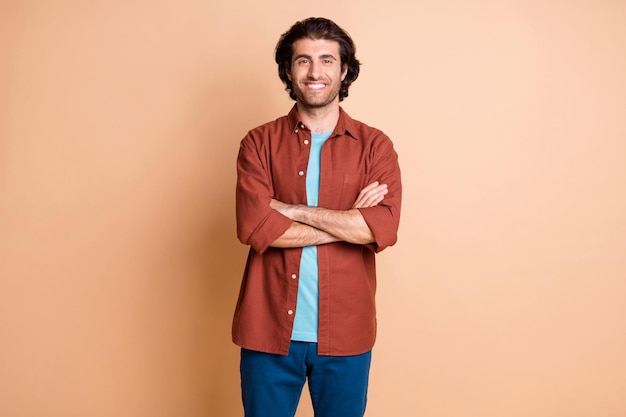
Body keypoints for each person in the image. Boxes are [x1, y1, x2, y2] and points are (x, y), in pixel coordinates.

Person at [232, 17, 402, 417]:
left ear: (344, 71)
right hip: (267, 330)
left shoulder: (375, 146)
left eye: (327, 60)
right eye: (303, 60)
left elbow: (383, 230)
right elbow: (256, 228)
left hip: (346, 334)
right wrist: (351, 223)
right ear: (288, 71)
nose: (314, 72)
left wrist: (292, 211)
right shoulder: (258, 143)